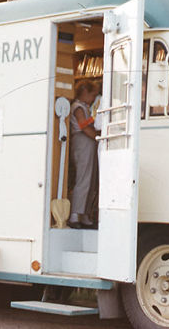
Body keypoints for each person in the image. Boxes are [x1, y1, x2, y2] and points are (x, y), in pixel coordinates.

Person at [68, 80, 100, 229]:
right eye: (92, 95)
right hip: (82, 142)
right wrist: (97, 137)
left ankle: (85, 213)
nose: (94, 98)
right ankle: (75, 213)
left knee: (91, 179)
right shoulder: (77, 107)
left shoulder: (86, 107)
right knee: (83, 178)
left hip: (89, 143)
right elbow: (84, 127)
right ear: (85, 92)